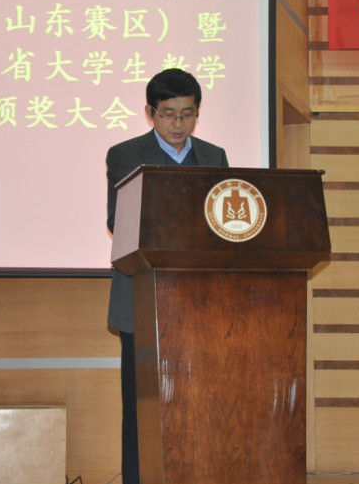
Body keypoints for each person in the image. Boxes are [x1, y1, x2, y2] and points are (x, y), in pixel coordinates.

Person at [105, 68, 229, 484]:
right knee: (140, 405)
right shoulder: (125, 154)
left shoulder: (214, 156)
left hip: (199, 298)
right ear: (150, 113)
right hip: (142, 296)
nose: (178, 124)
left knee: (198, 401)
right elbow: (119, 219)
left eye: (187, 114)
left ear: (198, 113)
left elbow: (221, 220)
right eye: (168, 114)